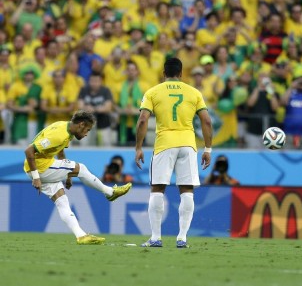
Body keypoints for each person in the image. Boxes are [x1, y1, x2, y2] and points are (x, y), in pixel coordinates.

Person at [135, 57, 213, 248]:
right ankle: (182, 238)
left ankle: (155, 237)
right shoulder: (194, 93)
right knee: (187, 191)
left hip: (164, 144)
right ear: (181, 73)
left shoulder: (153, 92)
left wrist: (138, 147)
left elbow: (143, 120)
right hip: (188, 144)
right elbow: (207, 121)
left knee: (157, 189)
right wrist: (208, 149)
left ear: (164, 74)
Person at [23, 110, 132, 245]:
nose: (86, 134)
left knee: (62, 201)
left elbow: (59, 150)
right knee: (81, 168)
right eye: (87, 130)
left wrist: (68, 176)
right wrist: (36, 177)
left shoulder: (65, 129)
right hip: (40, 168)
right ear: (81, 125)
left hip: (42, 166)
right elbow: (29, 150)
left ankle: (81, 235)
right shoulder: (58, 134)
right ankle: (109, 192)